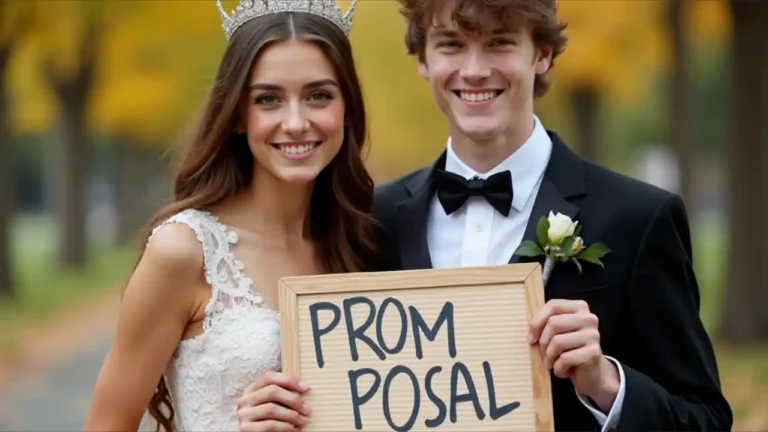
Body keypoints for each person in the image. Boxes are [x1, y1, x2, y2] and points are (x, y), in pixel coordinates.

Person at [371, 0, 733, 430]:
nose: (473, 70)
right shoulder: (376, 218)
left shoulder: (638, 218)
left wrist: (608, 385)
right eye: (450, 45)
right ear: (422, 59)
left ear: (541, 53)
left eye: (499, 43)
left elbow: (704, 418)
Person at [83, 0, 376, 430]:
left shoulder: (363, 243)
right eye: (268, 99)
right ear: (238, 114)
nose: (295, 122)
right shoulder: (184, 251)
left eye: (319, 96)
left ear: (346, 107)